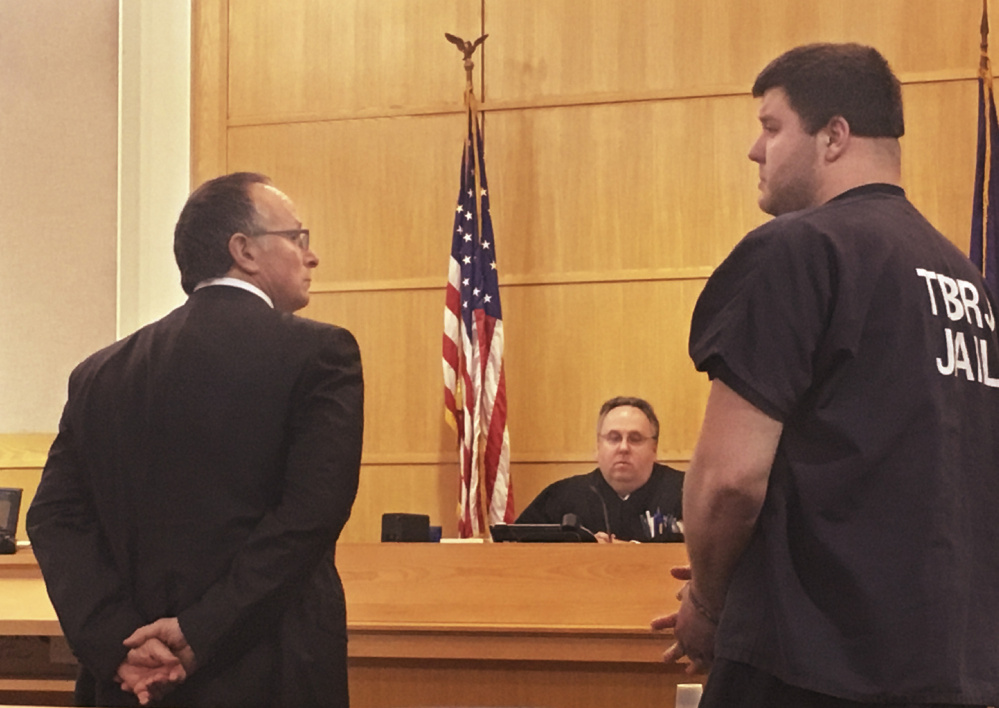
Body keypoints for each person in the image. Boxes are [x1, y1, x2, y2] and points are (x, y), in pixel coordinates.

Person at [653, 43, 999, 707]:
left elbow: (728, 480)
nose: (755, 149)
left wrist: (708, 599)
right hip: (951, 668)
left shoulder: (798, 249)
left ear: (833, 136)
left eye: (771, 126)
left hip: (814, 668)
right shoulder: (965, 282)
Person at [27, 172, 364, 708]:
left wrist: (117, 646)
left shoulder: (99, 374)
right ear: (244, 251)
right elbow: (310, 516)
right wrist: (198, 631)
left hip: (128, 684)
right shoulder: (319, 355)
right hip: (268, 671)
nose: (312, 255)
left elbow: (54, 518)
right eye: (298, 237)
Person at [516, 396, 683, 542]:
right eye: (614, 438)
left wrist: (632, 551)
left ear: (654, 448)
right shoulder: (562, 496)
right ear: (598, 445)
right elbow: (514, 546)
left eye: (635, 439)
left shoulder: (688, 492)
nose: (623, 447)